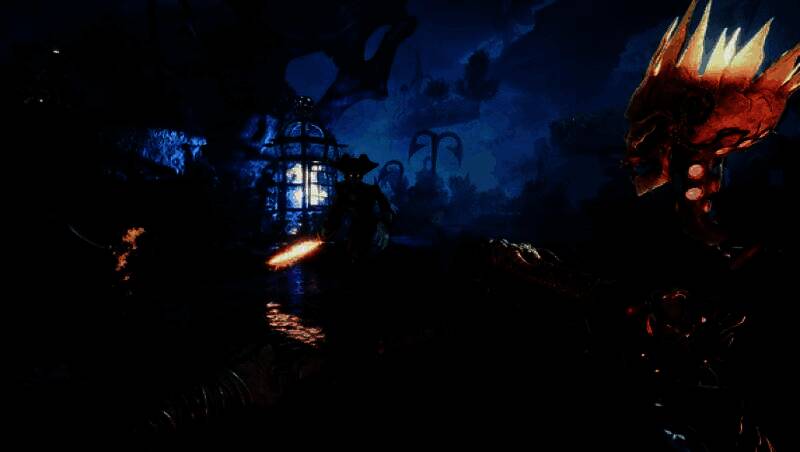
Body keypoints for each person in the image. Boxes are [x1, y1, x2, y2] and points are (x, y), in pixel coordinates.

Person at [322, 154, 393, 262]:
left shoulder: (370, 190)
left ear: (361, 176)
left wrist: (384, 223)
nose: (354, 178)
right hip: (346, 228)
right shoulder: (342, 191)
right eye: (351, 175)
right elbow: (336, 210)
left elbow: (384, 205)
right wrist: (327, 226)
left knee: (362, 253)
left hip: (366, 227)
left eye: (358, 175)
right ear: (346, 176)